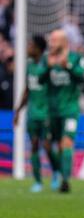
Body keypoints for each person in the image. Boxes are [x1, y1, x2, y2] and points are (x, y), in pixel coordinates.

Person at [38, 29, 84, 193]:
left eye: (54, 40)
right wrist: (48, 68)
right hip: (51, 111)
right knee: (48, 145)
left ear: (64, 42)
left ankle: (65, 181)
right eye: (50, 40)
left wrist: (69, 67)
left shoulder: (76, 58)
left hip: (70, 110)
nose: (51, 43)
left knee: (66, 143)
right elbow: (38, 79)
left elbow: (82, 78)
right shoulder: (46, 59)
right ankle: (58, 171)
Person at [14, 35, 61, 192]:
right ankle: (38, 181)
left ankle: (55, 172)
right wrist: (18, 111)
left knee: (47, 146)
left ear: (38, 49)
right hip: (33, 114)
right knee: (34, 145)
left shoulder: (48, 64)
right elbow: (27, 90)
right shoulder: (29, 65)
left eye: (30, 45)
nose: (28, 48)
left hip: (47, 113)